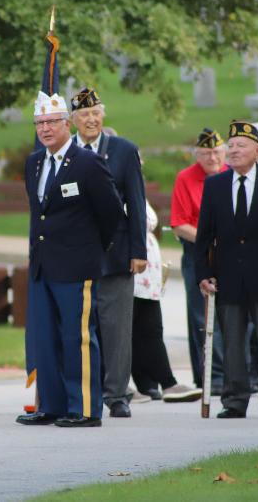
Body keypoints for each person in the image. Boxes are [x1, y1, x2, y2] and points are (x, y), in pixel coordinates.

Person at [18, 92, 125, 428]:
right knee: (45, 337)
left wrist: (90, 249)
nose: (45, 129)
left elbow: (111, 215)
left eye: (52, 122)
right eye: (40, 123)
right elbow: (39, 214)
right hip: (43, 266)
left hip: (77, 266)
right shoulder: (35, 163)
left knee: (76, 338)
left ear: (67, 124)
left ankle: (85, 408)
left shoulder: (87, 162)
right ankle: (51, 405)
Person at [196, 120, 258, 419]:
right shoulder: (215, 185)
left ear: (257, 149)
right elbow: (204, 235)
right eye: (232, 146)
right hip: (228, 276)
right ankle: (235, 400)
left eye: (241, 146)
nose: (234, 151)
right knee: (234, 342)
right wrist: (203, 273)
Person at [69, 88, 147, 418]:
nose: (91, 119)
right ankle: (85, 392)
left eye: (96, 113)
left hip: (116, 252)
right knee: (79, 327)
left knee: (116, 328)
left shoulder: (123, 150)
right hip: (74, 255)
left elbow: (137, 202)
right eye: (84, 114)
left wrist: (138, 249)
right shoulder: (65, 151)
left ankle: (117, 395)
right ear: (72, 120)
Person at [170, 128, 228, 394]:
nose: (213, 158)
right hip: (197, 253)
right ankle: (210, 377)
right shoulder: (186, 178)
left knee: (235, 315)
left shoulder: (232, 172)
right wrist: (210, 241)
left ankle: (239, 373)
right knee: (202, 317)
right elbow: (179, 224)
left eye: (216, 152)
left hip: (231, 254)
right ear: (197, 155)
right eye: (206, 153)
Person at [131, 197, 202, 403]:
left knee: (151, 329)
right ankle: (119, 386)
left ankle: (166, 383)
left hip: (147, 276)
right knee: (126, 332)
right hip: (129, 272)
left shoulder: (135, 183)